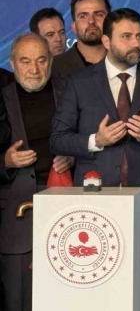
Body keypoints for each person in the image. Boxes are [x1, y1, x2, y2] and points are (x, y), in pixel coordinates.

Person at [50, 8, 140, 310]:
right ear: (106, 41)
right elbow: (58, 139)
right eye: (126, 36)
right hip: (95, 204)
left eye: (139, 36)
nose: (135, 43)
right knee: (99, 291)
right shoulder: (79, 83)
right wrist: (95, 141)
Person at [0, 33, 73, 311]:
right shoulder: (1, 98)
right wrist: (6, 161)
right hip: (17, 212)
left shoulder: (70, 92)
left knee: (67, 295)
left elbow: (90, 142)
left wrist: (73, 156)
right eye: (25, 61)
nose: (34, 69)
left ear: (51, 61)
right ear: (12, 64)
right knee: (18, 297)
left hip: (67, 201)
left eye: (41, 60)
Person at [51, 0, 111, 95]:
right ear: (74, 27)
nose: (91, 21)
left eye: (99, 14)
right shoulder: (53, 68)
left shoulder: (126, 63)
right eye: (83, 16)